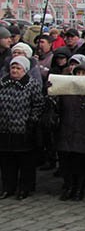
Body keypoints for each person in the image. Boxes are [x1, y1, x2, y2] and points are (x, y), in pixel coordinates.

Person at [0, 56, 44, 200]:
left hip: (23, 129)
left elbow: (38, 104)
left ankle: (25, 188)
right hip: (5, 128)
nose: (14, 70)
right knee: (7, 162)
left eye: (18, 68)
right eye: (13, 67)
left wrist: (32, 121)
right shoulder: (3, 83)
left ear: (24, 70)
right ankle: (8, 187)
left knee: (25, 161)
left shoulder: (32, 85)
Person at [55, 62, 85, 201]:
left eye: (83, 74)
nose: (80, 76)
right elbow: (59, 110)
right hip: (67, 130)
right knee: (67, 162)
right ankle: (68, 187)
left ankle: (79, 189)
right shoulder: (67, 92)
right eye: (78, 73)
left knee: (81, 162)